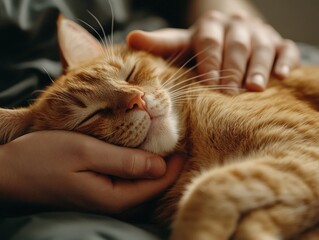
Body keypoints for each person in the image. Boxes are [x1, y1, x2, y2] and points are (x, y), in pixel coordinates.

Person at [0, 0, 301, 239]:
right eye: (93, 114)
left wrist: (228, 15)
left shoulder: (209, 109)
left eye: (130, 76)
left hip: (204, 60)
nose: (134, 99)